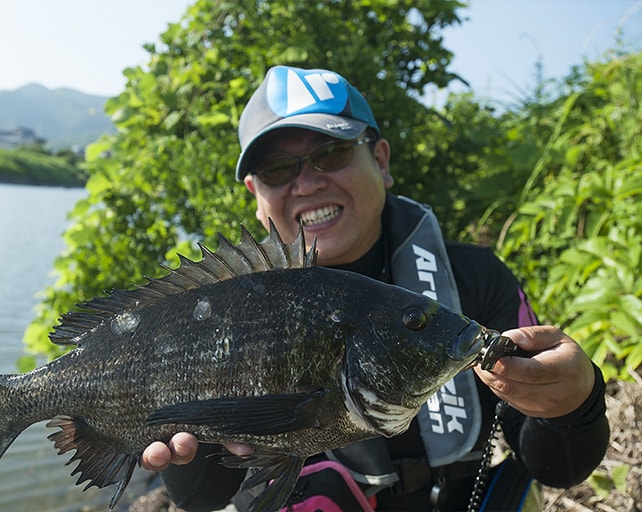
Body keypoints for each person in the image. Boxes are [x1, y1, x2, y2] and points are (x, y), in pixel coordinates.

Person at [140, 66, 610, 511]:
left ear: (380, 160)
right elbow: (201, 498)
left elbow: (560, 467)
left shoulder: (475, 280)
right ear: (256, 195)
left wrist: (574, 403)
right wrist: (182, 441)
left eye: (331, 153)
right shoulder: (217, 307)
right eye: (278, 170)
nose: (305, 182)